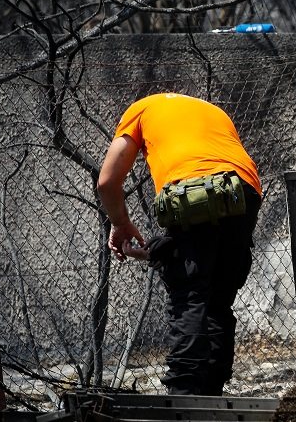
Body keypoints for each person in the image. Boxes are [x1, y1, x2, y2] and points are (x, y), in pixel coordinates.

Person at [97, 92, 262, 396]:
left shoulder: (140, 109)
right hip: (244, 192)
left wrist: (120, 223)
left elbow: (107, 181)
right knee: (217, 300)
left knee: (190, 296)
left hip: (193, 188)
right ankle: (212, 392)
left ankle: (185, 394)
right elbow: (207, 225)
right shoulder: (214, 111)